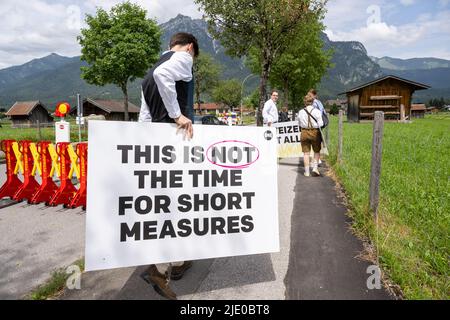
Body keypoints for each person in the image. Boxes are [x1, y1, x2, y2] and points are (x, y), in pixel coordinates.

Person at [138, 32, 199, 300]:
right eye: (193, 54)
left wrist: (143, 140)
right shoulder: (183, 58)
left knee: (163, 202)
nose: (191, 59)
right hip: (175, 140)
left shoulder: (152, 68)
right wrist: (178, 116)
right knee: (179, 201)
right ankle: (163, 266)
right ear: (190, 47)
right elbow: (165, 78)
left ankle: (170, 261)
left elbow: (144, 114)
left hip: (155, 141)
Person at [298, 93, 323, 177]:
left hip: (304, 132)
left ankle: (307, 172)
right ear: (312, 102)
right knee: (316, 151)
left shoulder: (301, 112)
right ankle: (315, 168)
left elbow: (300, 124)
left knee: (306, 153)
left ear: (305, 102)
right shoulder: (317, 111)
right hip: (315, 132)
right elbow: (321, 123)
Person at [308, 89, 327, 167]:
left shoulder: (314, 102)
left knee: (313, 141)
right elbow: (323, 111)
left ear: (314, 95)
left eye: (310, 95)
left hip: (314, 124)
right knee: (317, 141)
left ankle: (316, 160)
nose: (308, 96)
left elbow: (313, 113)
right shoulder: (319, 102)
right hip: (319, 123)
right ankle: (317, 159)